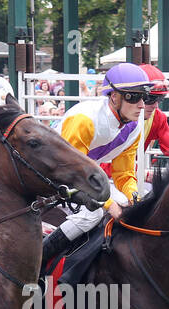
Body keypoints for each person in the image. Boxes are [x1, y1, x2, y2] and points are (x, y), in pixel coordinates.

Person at [41, 62, 150, 266]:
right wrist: (110, 206)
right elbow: (73, 173)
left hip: (80, 178)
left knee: (130, 205)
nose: (142, 105)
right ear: (114, 97)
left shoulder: (134, 127)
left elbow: (124, 174)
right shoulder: (85, 120)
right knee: (93, 213)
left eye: (144, 97)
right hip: (51, 176)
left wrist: (135, 198)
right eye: (134, 97)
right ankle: (39, 259)